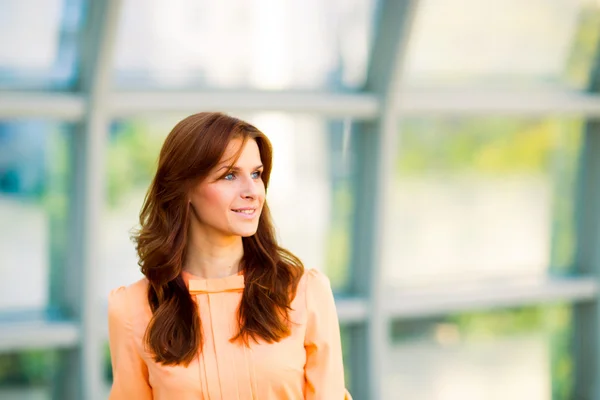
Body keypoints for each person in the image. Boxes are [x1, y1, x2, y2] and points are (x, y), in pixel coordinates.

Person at [107, 112, 351, 399]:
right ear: (184, 189)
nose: (252, 191)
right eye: (230, 175)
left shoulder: (305, 293)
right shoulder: (132, 309)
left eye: (257, 174)